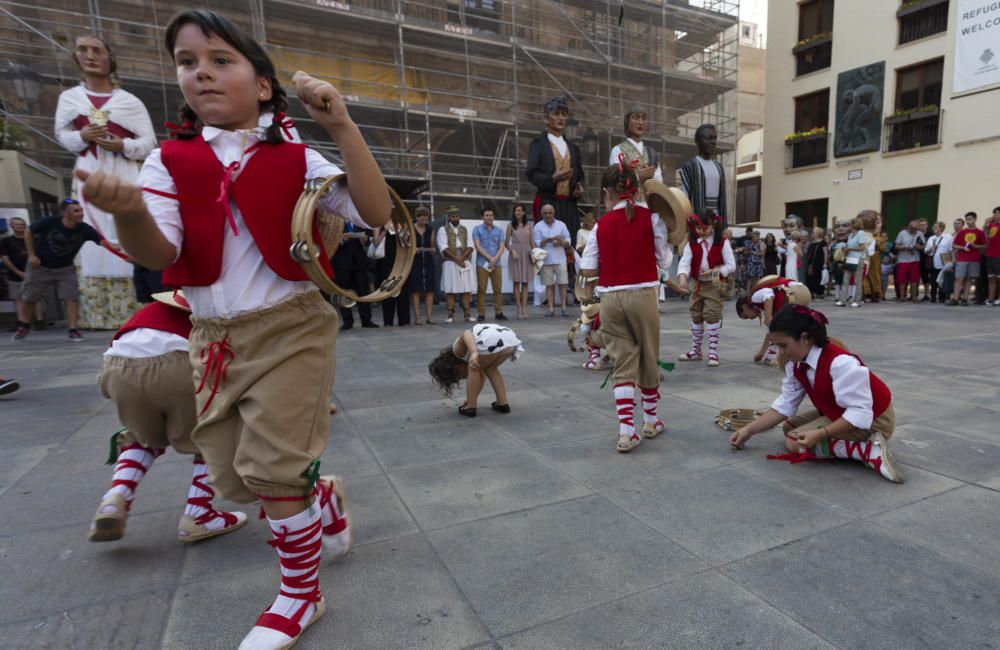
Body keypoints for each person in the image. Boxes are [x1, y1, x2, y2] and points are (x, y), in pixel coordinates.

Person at [75, 11, 390, 647]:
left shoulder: (298, 156)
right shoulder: (170, 159)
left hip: (293, 327)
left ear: (264, 84)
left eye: (221, 60)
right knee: (231, 477)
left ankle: (300, 596)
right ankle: (320, 497)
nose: (202, 73)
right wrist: (132, 209)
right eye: (188, 62)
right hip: (211, 336)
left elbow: (377, 211)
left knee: (273, 469)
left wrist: (342, 124)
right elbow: (159, 254)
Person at [89, 291, 247, 543]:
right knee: (212, 434)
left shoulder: (149, 311)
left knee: (141, 438)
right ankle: (199, 515)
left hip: (117, 369)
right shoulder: (215, 316)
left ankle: (115, 498)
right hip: (178, 365)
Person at [728, 306, 903, 484]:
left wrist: (821, 434)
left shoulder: (840, 363)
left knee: (793, 443)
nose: (781, 352)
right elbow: (785, 404)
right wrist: (749, 430)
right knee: (789, 427)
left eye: (783, 345)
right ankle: (850, 445)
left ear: (804, 338)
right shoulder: (796, 364)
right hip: (841, 412)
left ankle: (867, 450)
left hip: (874, 419)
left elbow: (860, 412)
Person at [55, 34, 156, 329]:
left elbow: (148, 142)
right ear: (76, 57)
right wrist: (81, 137)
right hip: (89, 168)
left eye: (98, 50)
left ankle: (138, 306)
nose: (90, 55)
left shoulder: (129, 101)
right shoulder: (69, 98)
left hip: (124, 170)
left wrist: (123, 145)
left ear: (110, 58)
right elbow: (62, 135)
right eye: (83, 50)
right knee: (91, 233)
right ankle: (99, 314)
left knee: (131, 227)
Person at [579, 160, 672, 452]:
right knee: (648, 354)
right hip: (643, 294)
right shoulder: (651, 217)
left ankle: (626, 431)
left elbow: (588, 268)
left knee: (623, 360)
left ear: (608, 193)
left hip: (609, 298)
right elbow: (664, 260)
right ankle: (651, 421)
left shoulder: (599, 226)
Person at [13, 199, 109, 341]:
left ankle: (73, 329)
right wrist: (31, 254)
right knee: (29, 298)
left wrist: (123, 250)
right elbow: (28, 231)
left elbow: (103, 242)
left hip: (65, 268)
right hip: (40, 267)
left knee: (71, 297)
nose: (80, 213)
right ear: (65, 212)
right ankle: (24, 325)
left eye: (81, 210)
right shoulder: (49, 222)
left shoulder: (85, 229)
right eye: (76, 211)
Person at [676, 210, 736, 367]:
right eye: (698, 228)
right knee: (696, 314)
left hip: (714, 284)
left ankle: (713, 352)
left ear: (713, 225)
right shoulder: (692, 243)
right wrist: (682, 276)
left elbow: (731, 265)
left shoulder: (722, 242)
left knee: (711, 315)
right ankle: (696, 351)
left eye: (705, 228)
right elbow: (685, 262)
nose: (701, 232)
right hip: (697, 284)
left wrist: (715, 270)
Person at [428, 323, 523, 416]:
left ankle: (470, 407)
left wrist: (473, 352)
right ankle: (502, 403)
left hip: (492, 339)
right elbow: (480, 379)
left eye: (460, 376)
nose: (465, 377)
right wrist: (471, 397)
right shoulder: (474, 361)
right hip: (510, 340)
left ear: (455, 367)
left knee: (473, 367)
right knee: (491, 369)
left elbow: (466, 333)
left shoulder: (457, 350)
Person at [525, 95, 585, 239]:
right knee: (548, 245)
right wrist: (551, 178)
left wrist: (579, 187)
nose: (561, 118)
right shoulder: (538, 144)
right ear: (546, 118)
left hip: (569, 205)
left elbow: (580, 174)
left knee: (570, 244)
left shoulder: (573, 148)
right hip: (548, 202)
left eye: (564, 114)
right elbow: (531, 173)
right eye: (556, 113)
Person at [736, 275, 808, 366]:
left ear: (744, 306)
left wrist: (769, 317)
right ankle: (771, 357)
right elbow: (771, 334)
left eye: (746, 316)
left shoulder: (753, 298)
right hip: (800, 293)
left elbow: (768, 294)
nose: (750, 318)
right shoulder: (760, 306)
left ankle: (788, 357)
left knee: (785, 331)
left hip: (796, 292)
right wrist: (761, 353)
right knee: (785, 330)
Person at [679, 124, 727, 227]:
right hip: (697, 224)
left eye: (714, 138)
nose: (713, 142)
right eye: (708, 138)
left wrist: (724, 226)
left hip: (716, 223)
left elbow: (722, 200)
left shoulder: (719, 167)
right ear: (697, 141)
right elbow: (684, 197)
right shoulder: (690, 166)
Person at [331, 222, 378, 330]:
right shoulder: (335, 221)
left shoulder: (358, 220)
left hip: (359, 261)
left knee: (363, 291)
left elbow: (367, 239)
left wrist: (365, 240)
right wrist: (341, 240)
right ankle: (347, 321)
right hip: (342, 262)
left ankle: (366, 320)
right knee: (343, 291)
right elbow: (329, 241)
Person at [0, 216, 43, 331]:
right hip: (15, 273)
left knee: (35, 297)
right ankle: (21, 322)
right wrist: (16, 271)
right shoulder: (6, 241)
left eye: (22, 224)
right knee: (17, 298)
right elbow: (4, 257)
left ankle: (39, 321)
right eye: (17, 224)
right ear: (11, 226)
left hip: (34, 272)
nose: (20, 226)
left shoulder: (33, 239)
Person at [437, 206, 476, 323]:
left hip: (464, 261)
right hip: (450, 262)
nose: (455, 218)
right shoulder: (442, 230)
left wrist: (462, 258)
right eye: (453, 217)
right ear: (449, 218)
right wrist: (456, 259)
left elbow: (470, 245)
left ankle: (467, 315)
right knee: (450, 289)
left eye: (457, 216)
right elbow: (443, 247)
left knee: (466, 289)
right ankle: (450, 315)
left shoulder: (465, 229)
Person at [533, 203, 572, 317]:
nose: (548, 215)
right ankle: (551, 309)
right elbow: (536, 243)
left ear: (554, 213)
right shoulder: (538, 226)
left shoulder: (561, 225)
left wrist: (563, 242)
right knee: (549, 285)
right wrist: (547, 240)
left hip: (560, 259)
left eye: (550, 213)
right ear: (542, 214)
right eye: (545, 213)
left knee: (563, 284)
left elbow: (568, 238)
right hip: (546, 260)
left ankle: (564, 308)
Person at [472, 207, 507, 322]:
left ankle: (499, 312)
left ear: (494, 217)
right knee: (481, 289)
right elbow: (477, 246)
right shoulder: (477, 229)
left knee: (497, 289)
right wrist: (489, 258)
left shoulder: (499, 230)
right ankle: (481, 313)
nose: (489, 217)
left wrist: (495, 258)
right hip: (482, 263)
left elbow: (502, 246)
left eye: (491, 215)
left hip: (497, 263)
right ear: (482, 217)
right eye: (486, 215)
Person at [374, 223, 411, 326]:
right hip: (386, 261)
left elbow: (408, 242)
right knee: (387, 287)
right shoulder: (379, 225)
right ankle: (388, 320)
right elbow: (375, 243)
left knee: (403, 288)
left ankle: (404, 319)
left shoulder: (401, 224)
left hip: (401, 260)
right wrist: (384, 231)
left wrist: (401, 231)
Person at [948, 212, 987, 306]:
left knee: (969, 279)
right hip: (962, 258)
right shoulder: (962, 232)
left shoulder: (980, 232)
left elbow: (985, 245)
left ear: (975, 219)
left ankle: (965, 299)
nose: (968, 221)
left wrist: (975, 246)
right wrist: (962, 248)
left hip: (974, 259)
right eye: (966, 219)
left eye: (970, 219)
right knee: (959, 278)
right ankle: (955, 299)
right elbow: (954, 244)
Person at [408, 206, 437, 324]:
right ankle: (417, 318)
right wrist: (413, 249)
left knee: (429, 289)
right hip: (415, 262)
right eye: (422, 219)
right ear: (417, 218)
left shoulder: (430, 229)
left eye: (426, 219)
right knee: (415, 290)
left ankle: (429, 317)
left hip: (428, 261)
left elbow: (432, 245)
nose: (424, 222)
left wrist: (432, 250)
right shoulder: (410, 229)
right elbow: (406, 245)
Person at [505, 204, 533, 319]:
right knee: (516, 282)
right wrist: (512, 251)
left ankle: (525, 308)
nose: (518, 212)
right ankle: (518, 308)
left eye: (520, 210)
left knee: (525, 282)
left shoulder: (529, 225)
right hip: (515, 254)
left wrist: (535, 253)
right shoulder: (511, 225)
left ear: (524, 212)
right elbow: (506, 242)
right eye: (516, 210)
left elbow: (532, 242)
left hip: (526, 253)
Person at [837, 217, 867, 308]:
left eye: (849, 224)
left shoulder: (861, 233)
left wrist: (850, 249)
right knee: (845, 280)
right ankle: (842, 300)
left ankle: (858, 301)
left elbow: (862, 248)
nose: (848, 226)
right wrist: (845, 249)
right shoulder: (850, 235)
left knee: (857, 281)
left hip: (858, 260)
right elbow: (849, 246)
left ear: (854, 225)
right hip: (850, 259)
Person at [893, 220, 925, 303]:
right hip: (903, 260)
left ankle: (914, 297)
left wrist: (919, 247)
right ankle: (902, 297)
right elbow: (896, 246)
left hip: (915, 259)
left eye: (915, 229)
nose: (914, 230)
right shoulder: (902, 233)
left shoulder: (919, 234)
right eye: (912, 229)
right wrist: (904, 247)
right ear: (909, 227)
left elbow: (923, 246)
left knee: (914, 279)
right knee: (902, 279)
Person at [924, 221, 950, 303]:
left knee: (942, 280)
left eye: (936, 227)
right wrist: (931, 249)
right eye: (933, 227)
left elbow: (950, 249)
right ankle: (933, 297)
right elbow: (925, 251)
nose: (933, 228)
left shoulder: (948, 237)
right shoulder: (931, 238)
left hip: (943, 263)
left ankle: (942, 297)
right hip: (933, 263)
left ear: (941, 228)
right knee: (933, 280)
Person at [860, 212, 882, 303]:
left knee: (871, 276)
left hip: (871, 257)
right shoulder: (869, 237)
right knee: (864, 276)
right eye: (877, 223)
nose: (880, 226)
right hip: (867, 258)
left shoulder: (875, 237)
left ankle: (873, 294)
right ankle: (864, 294)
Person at [804, 226, 828, 299]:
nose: (812, 234)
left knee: (818, 277)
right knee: (810, 278)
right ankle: (811, 292)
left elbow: (825, 253)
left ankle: (819, 293)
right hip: (811, 264)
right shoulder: (812, 243)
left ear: (818, 233)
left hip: (819, 263)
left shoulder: (823, 242)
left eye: (814, 232)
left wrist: (825, 263)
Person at [985, 208, 1000, 306]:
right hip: (990, 254)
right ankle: (991, 298)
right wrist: (986, 225)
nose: (994, 215)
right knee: (991, 277)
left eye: (996, 213)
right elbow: (986, 237)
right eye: (993, 213)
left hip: (998, 254)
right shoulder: (991, 225)